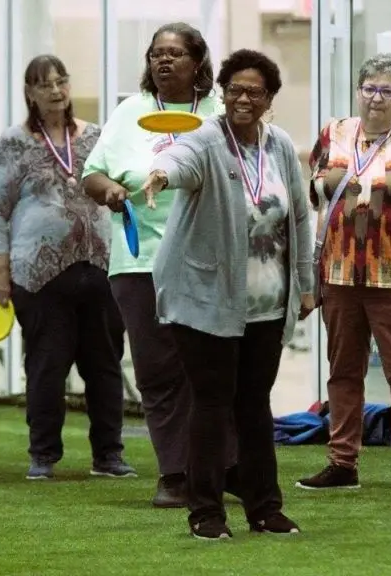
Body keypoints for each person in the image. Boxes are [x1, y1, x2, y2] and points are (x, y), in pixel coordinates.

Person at [141, 48, 314, 540]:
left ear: (269, 99)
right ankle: (206, 513)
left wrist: (305, 284)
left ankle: (265, 509)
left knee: (255, 405)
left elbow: (299, 216)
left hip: (266, 305)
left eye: (254, 92)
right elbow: (179, 159)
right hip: (206, 300)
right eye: (235, 89)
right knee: (212, 403)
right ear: (222, 92)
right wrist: (160, 175)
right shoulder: (206, 140)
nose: (243, 99)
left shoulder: (280, 145)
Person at [82, 22, 238, 508]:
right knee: (156, 371)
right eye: (156, 54)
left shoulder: (218, 113)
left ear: (198, 62)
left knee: (210, 367)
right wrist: (110, 190)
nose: (163, 61)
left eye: (175, 53)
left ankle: (224, 467)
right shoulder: (130, 111)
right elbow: (92, 173)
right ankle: (174, 473)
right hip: (139, 263)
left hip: (206, 260)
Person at [0, 54, 135, 481]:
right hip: (39, 274)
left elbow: (120, 184)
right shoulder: (14, 142)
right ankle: (44, 454)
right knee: (46, 366)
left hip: (100, 267)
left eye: (61, 81)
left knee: (105, 365)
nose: (55, 90)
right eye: (44, 84)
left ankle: (109, 454)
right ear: (30, 92)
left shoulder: (96, 136)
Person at [295, 53, 391, 493]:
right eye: (369, 88)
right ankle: (343, 463)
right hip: (339, 271)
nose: (376, 98)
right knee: (342, 371)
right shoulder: (334, 133)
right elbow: (316, 192)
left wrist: (382, 190)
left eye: (386, 91)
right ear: (358, 91)